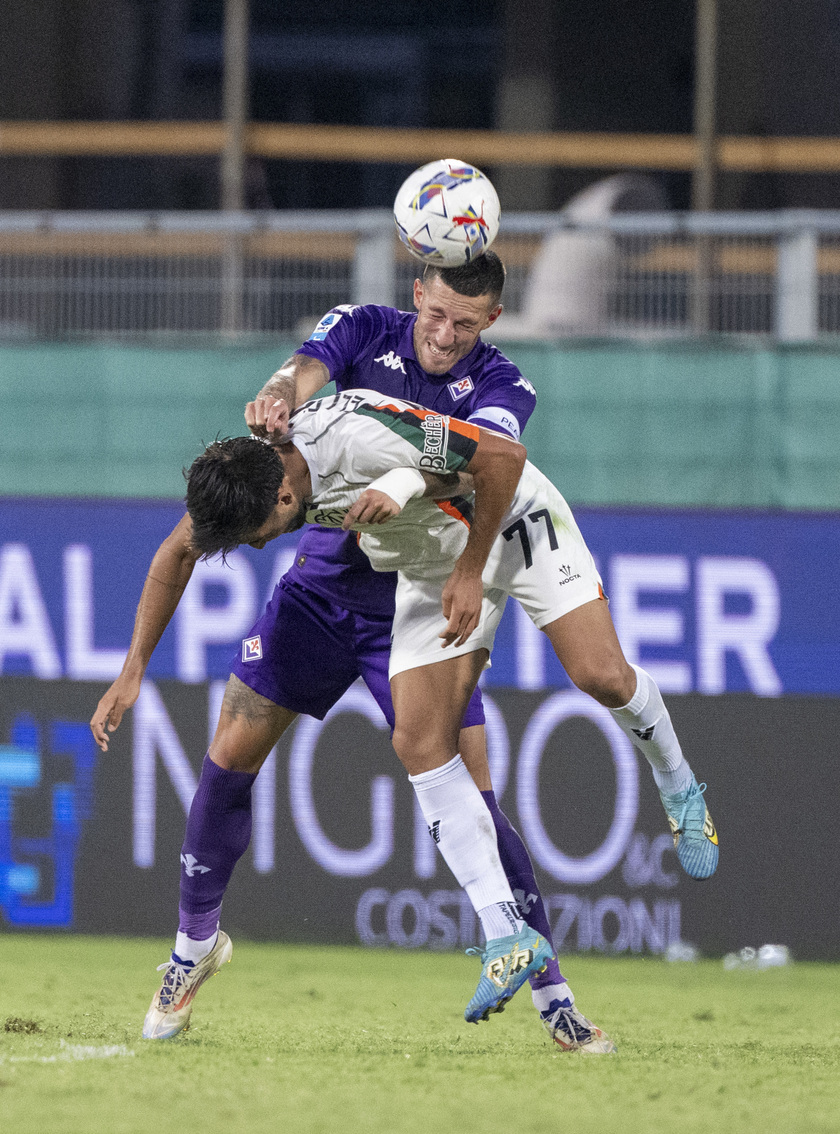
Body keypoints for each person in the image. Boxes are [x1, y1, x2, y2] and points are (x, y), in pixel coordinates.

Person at [91, 253, 613, 1052]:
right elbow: (187, 538)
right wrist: (131, 670)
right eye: (433, 314)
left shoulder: (499, 387)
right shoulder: (359, 340)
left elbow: (498, 465)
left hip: (419, 602)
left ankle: (554, 997)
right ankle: (191, 953)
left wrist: (472, 569)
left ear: (487, 320)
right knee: (228, 754)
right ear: (416, 296)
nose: (443, 332)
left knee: (470, 795)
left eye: (460, 320)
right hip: (320, 598)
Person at [180, 389, 718, 1028]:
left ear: (284, 500)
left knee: (601, 676)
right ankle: (505, 935)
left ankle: (677, 780)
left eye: (258, 534)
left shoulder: (357, 438)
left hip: (510, 523)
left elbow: (501, 459)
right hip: (431, 564)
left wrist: (459, 552)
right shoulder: (264, 466)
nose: (261, 545)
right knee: (418, 742)